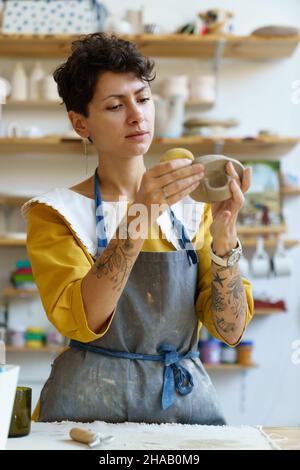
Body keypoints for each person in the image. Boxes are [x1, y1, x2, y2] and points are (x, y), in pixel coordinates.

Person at [22, 33, 253, 424]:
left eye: (143, 99)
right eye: (115, 105)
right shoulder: (55, 213)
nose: (136, 115)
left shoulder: (195, 210)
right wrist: (141, 212)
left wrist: (225, 237)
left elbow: (229, 330)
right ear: (80, 123)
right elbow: (86, 319)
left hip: (181, 409)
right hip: (83, 411)